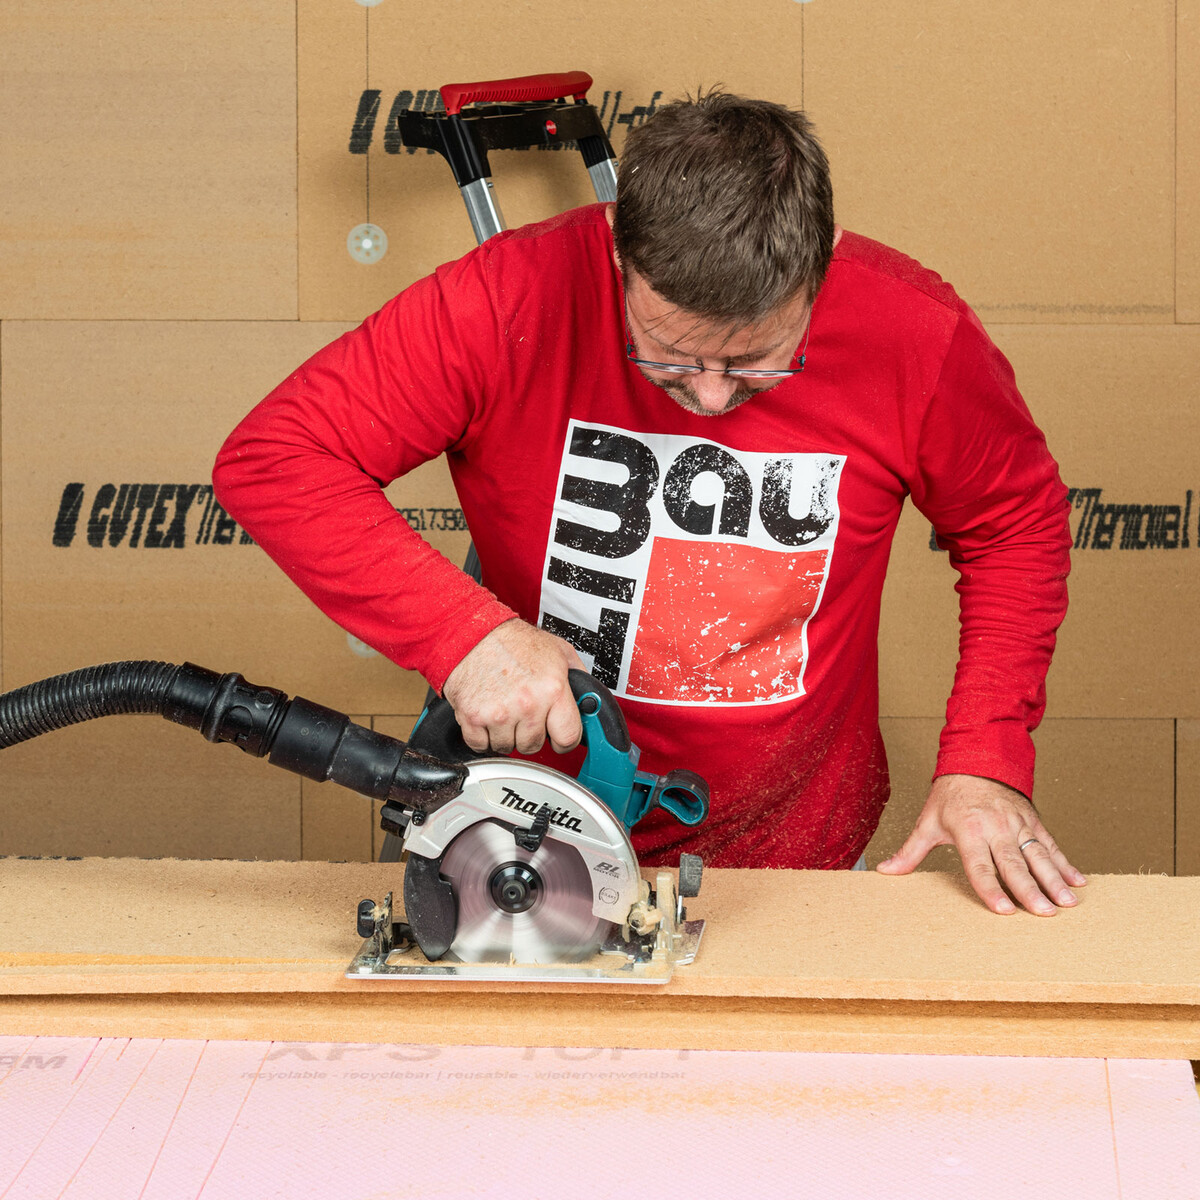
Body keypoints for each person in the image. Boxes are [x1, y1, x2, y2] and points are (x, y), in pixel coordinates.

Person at [213, 91, 1085, 917]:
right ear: (619, 258)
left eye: (755, 361)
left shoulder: (912, 329)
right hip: (522, 839)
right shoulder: (506, 297)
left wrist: (986, 756)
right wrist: (464, 636)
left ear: (817, 275)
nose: (709, 398)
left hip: (798, 851)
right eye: (669, 354)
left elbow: (1013, 523)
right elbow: (277, 457)